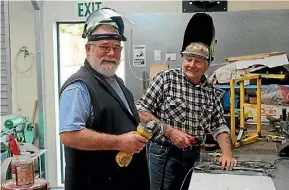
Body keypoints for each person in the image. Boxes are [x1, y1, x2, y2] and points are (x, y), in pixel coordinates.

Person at [59, 8, 150, 190]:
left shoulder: (115, 81)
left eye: (116, 48)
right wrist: (119, 142)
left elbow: (113, 115)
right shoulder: (78, 87)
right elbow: (69, 136)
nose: (111, 53)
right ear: (88, 49)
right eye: (104, 47)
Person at [136, 42, 238, 190]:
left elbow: (219, 126)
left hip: (193, 155)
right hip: (164, 152)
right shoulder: (166, 79)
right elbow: (141, 111)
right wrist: (170, 132)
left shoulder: (210, 91)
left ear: (206, 65)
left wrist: (227, 154)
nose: (191, 65)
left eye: (198, 61)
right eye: (188, 59)